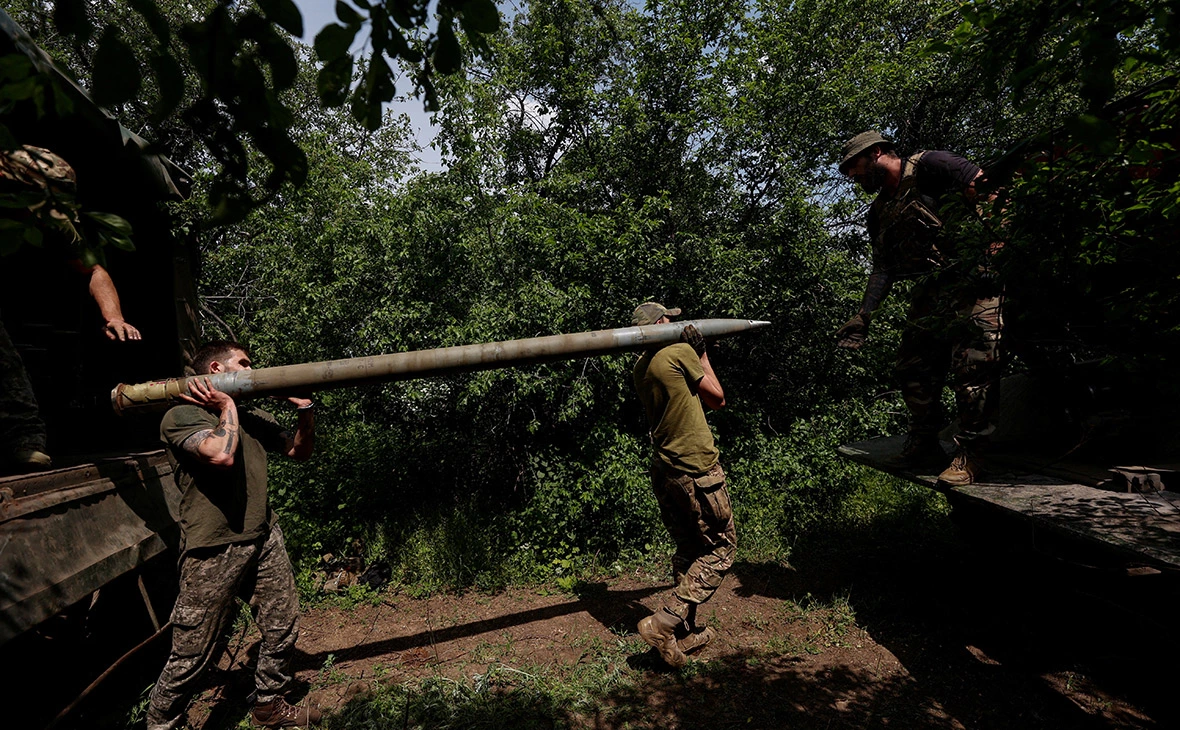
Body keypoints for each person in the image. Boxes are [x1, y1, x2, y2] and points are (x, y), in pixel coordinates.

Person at [146, 341, 321, 729]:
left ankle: (268, 704)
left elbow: (298, 452)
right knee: (192, 650)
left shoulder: (250, 414)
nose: (251, 369)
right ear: (215, 368)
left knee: (282, 623)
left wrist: (305, 411)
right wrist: (225, 407)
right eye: (243, 364)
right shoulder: (180, 415)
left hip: (262, 534)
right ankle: (160, 723)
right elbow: (220, 456)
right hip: (213, 546)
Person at [835, 130, 1003, 486]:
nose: (853, 177)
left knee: (973, 364)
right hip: (935, 287)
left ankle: (974, 453)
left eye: (855, 167)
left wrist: (998, 246)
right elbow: (883, 267)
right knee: (912, 365)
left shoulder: (932, 165)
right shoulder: (879, 210)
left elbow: (989, 190)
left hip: (976, 277)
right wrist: (864, 315)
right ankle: (925, 444)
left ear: (877, 152)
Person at [0, 145, 142, 474]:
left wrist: (114, 317)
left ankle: (24, 444)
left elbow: (93, 270)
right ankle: (23, 438)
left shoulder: (54, 221)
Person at [630, 302, 737, 668]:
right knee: (722, 548)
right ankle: (665, 621)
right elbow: (718, 399)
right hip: (696, 468)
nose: (674, 323)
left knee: (689, 547)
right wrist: (702, 354)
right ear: (659, 324)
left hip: (666, 470)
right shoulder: (678, 353)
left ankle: (684, 632)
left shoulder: (640, 367)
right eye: (668, 319)